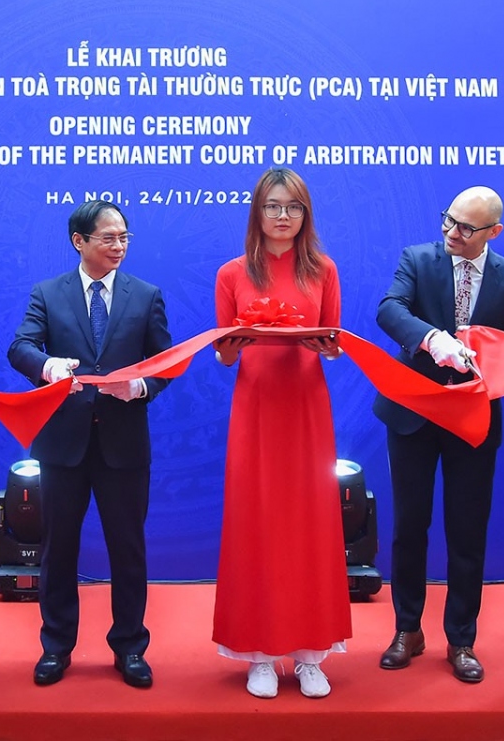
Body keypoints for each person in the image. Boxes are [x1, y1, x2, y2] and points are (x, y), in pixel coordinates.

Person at [8, 200, 171, 689]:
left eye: (124, 237)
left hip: (124, 445)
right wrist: (48, 367)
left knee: (128, 549)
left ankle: (130, 647)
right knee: (58, 549)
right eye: (108, 238)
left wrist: (139, 387)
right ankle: (56, 647)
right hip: (64, 444)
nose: (118, 246)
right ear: (79, 241)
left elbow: (165, 361)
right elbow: (20, 347)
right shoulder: (47, 293)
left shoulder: (146, 295)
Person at [373, 186, 504, 684]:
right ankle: (407, 629)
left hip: (472, 420)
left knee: (467, 532)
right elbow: (389, 309)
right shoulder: (418, 259)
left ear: (493, 232)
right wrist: (431, 338)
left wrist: (486, 359)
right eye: (449, 220)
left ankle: (461, 639)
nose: (451, 233)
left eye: (465, 227)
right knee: (409, 526)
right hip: (413, 413)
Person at [213, 167, 351, 699]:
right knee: (257, 521)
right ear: (257, 212)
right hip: (255, 407)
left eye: (293, 207)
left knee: (311, 522)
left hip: (306, 406)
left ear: (305, 215)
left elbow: (334, 342)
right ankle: (261, 655)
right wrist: (232, 348)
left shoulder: (324, 269)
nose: (282, 216)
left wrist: (327, 347)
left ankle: (310, 653)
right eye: (272, 206)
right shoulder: (232, 273)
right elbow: (224, 355)